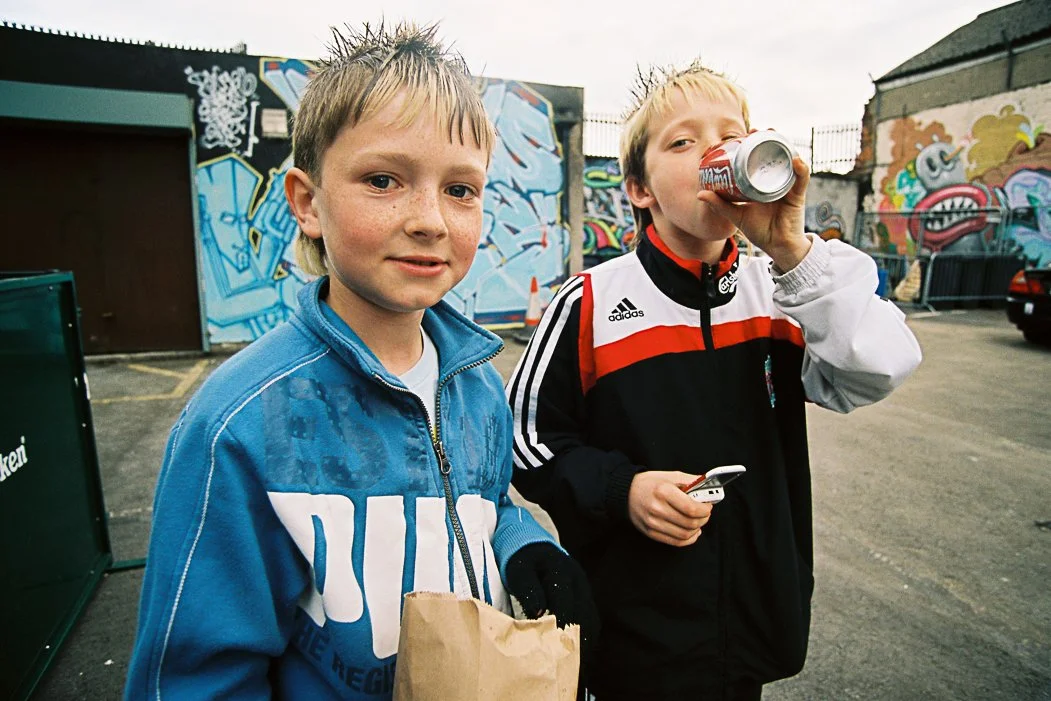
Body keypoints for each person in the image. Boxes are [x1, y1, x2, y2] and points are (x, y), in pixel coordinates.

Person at [126, 21, 596, 700]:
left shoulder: (476, 382)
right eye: (383, 179)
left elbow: (479, 505)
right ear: (307, 203)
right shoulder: (236, 426)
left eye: (460, 189)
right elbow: (196, 679)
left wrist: (521, 541)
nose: (430, 219)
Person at [507, 60, 922, 701]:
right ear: (640, 188)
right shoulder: (590, 301)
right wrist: (621, 489)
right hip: (632, 641)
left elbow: (878, 369)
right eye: (683, 141)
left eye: (731, 137)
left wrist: (791, 251)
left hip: (750, 631)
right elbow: (524, 439)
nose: (713, 155)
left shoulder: (783, 292)